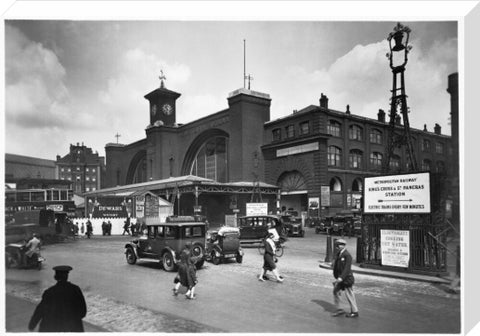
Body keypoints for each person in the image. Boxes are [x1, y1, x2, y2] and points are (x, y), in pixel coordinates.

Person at [28, 265, 87, 332]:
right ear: (67, 276)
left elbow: (40, 310)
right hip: (72, 328)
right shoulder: (75, 289)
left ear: (56, 277)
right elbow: (83, 312)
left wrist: (32, 325)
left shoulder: (49, 292)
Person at [331, 238, 359, 318]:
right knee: (335, 292)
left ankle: (355, 311)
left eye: (339, 245)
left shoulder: (347, 255)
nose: (337, 246)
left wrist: (341, 278)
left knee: (349, 294)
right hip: (340, 278)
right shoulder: (339, 254)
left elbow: (347, 269)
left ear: (343, 246)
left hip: (346, 278)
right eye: (337, 245)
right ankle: (339, 309)